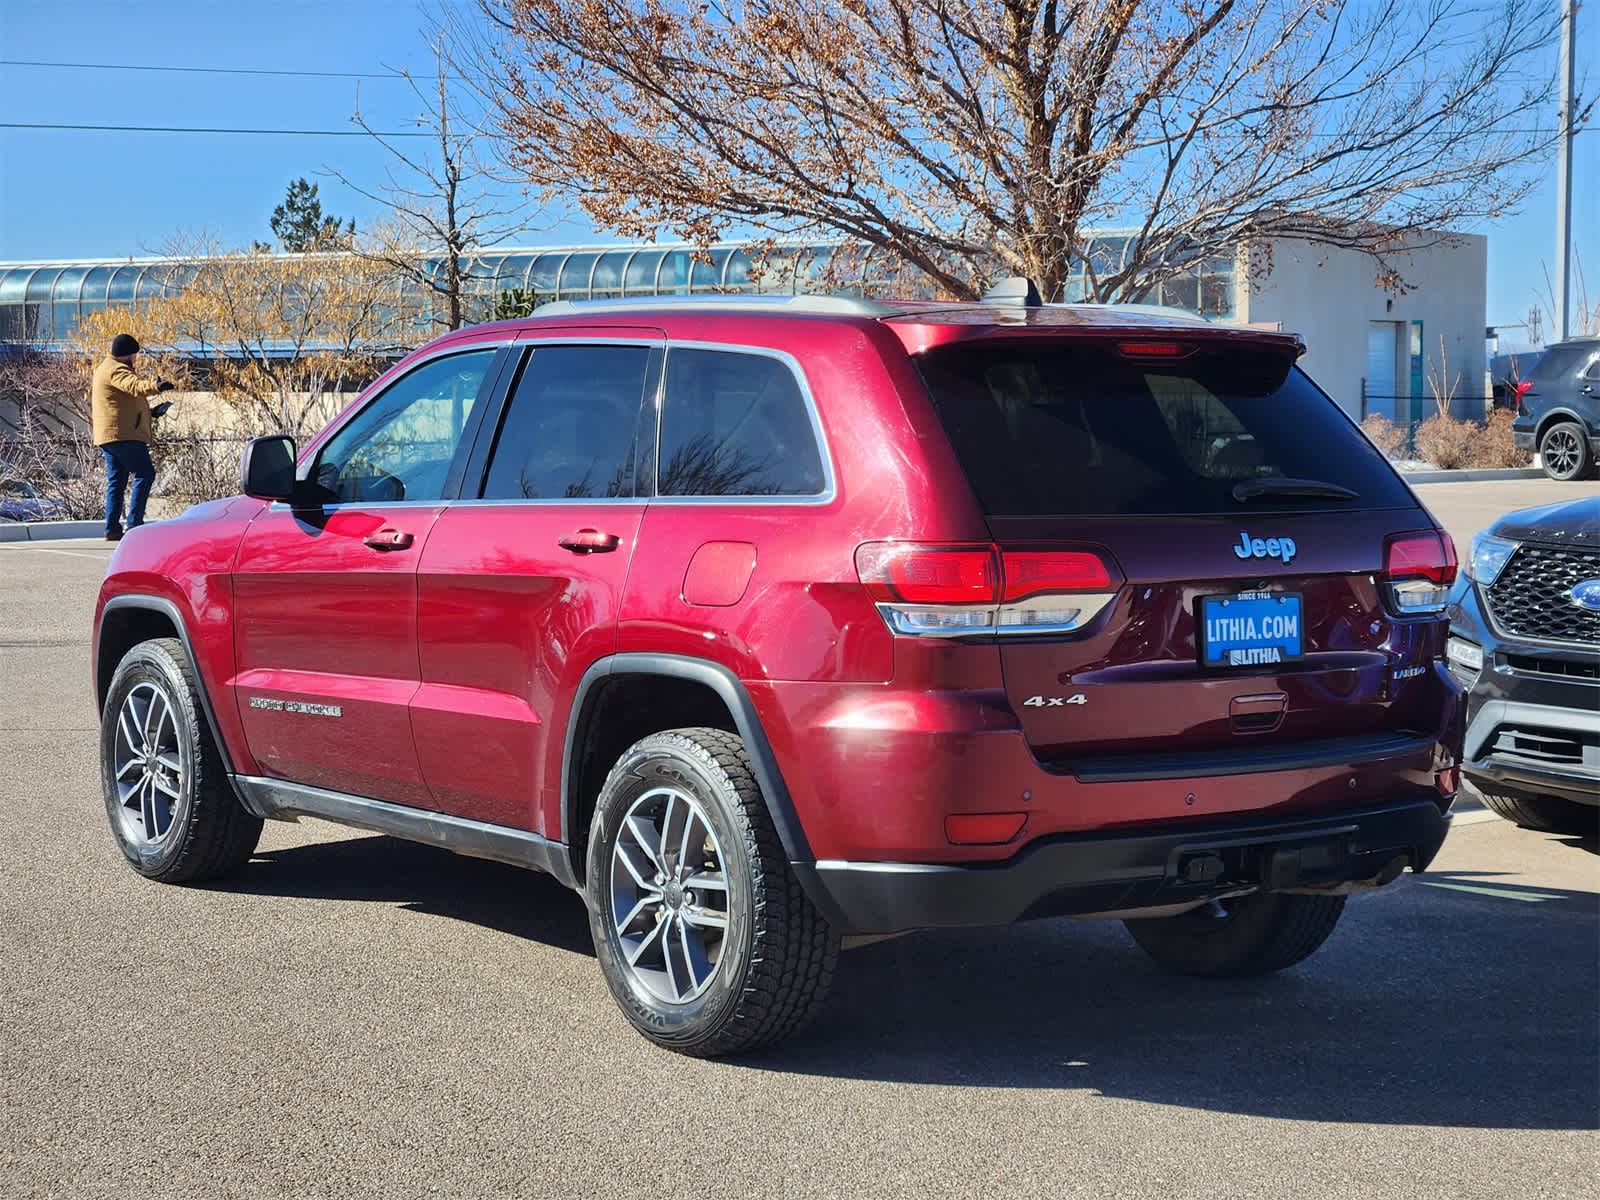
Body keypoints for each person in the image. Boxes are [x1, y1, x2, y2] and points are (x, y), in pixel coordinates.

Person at [91, 333, 174, 541]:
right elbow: (134, 386)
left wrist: (151, 412)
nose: (135, 358)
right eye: (134, 355)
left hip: (111, 435)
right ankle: (134, 525)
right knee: (145, 474)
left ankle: (112, 528)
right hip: (124, 435)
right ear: (126, 354)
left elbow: (123, 404)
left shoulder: (105, 368)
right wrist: (156, 386)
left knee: (117, 481)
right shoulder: (117, 370)